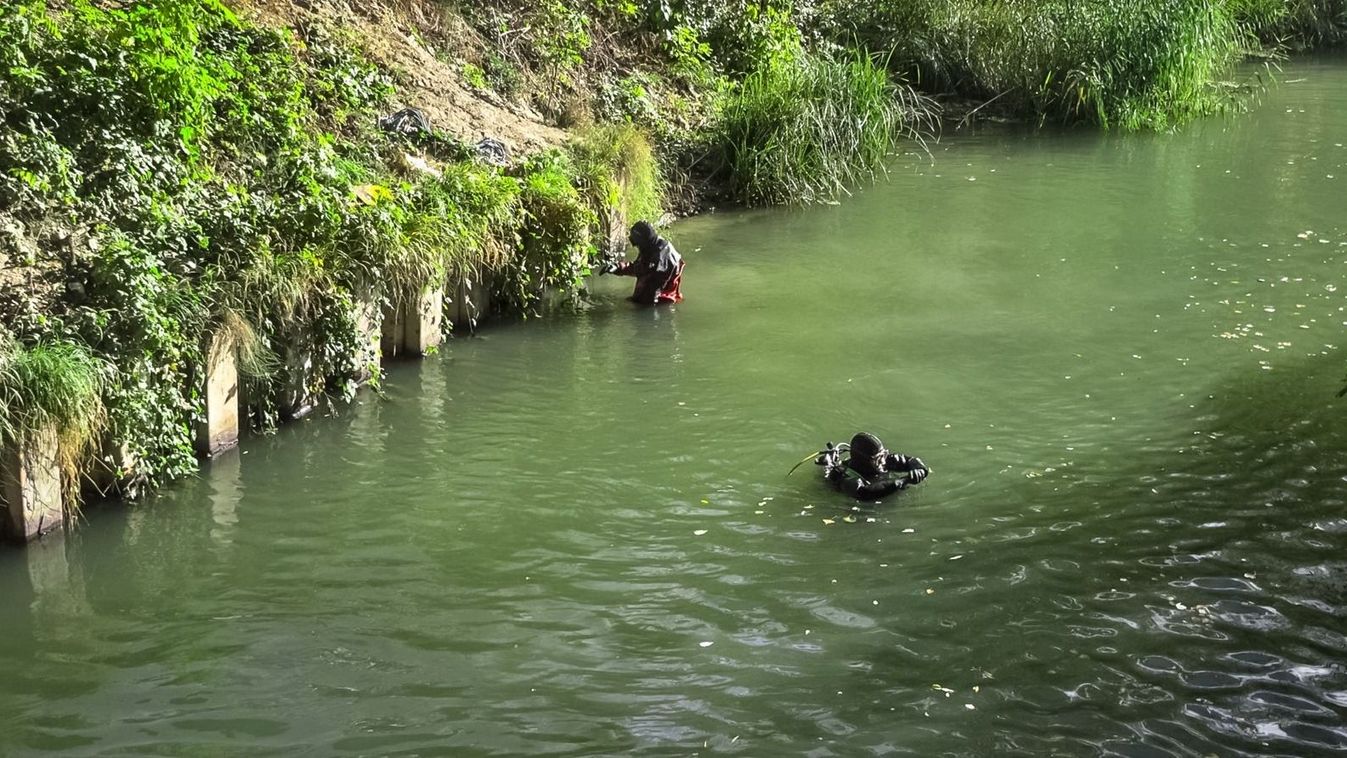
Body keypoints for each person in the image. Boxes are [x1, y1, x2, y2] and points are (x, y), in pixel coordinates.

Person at [815, 432, 929, 501]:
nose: (884, 460)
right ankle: (828, 462)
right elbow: (866, 493)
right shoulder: (847, 477)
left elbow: (910, 461)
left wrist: (919, 469)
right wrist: (903, 480)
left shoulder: (883, 460)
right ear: (864, 461)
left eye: (884, 454)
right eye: (879, 458)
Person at [606, 220, 684, 305]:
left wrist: (641, 311)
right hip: (656, 290)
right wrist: (618, 267)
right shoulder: (651, 245)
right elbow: (640, 267)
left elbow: (653, 294)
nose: (636, 246)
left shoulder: (660, 261)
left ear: (643, 242)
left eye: (637, 244)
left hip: (663, 301)